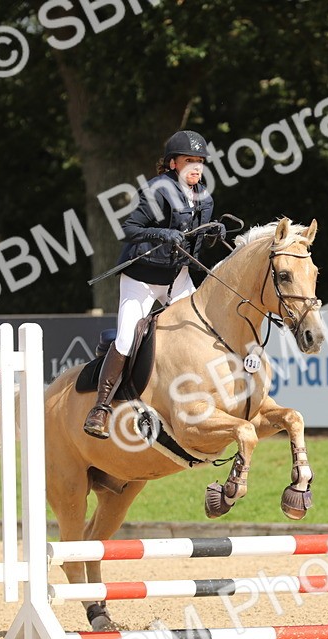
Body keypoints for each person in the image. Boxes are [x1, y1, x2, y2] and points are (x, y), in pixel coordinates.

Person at [83, 129, 225, 438]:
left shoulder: (206, 198)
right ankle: (101, 408)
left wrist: (213, 234)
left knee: (204, 332)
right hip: (142, 279)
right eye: (190, 161)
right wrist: (159, 234)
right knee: (125, 339)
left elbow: (196, 244)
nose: (196, 168)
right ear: (173, 164)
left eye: (200, 162)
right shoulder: (158, 190)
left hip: (178, 278)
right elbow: (128, 228)